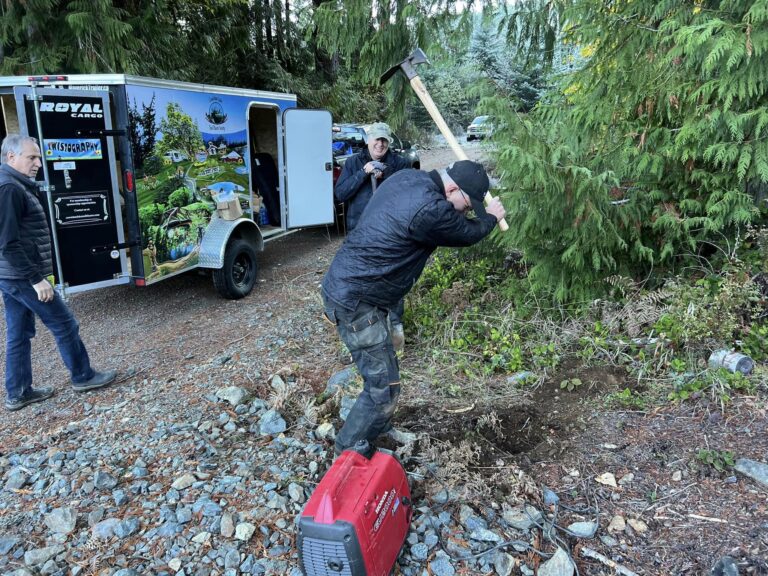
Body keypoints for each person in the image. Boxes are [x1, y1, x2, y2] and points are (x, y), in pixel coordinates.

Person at [322, 159, 506, 455]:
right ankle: (347, 455)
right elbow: (467, 233)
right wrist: (491, 218)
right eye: (468, 204)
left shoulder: (408, 177)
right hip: (357, 302)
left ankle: (378, 430)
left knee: (387, 373)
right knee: (383, 390)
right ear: (452, 188)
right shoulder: (430, 210)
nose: (467, 210)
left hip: (357, 288)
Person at [0, 135, 117, 411]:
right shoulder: (9, 189)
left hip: (11, 275)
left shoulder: (15, 185)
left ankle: (18, 392)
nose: (38, 163)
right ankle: (83, 376)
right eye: (32, 158)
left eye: (39, 157)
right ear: (11, 158)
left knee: (18, 333)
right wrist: (36, 278)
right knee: (65, 324)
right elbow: (8, 243)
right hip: (21, 276)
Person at [334, 122, 409, 349]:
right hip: (360, 233)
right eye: (376, 139)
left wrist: (385, 174)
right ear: (368, 140)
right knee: (359, 280)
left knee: (392, 278)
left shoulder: (399, 163)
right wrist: (364, 173)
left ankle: (395, 330)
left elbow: (408, 192)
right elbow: (341, 193)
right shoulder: (353, 163)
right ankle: (362, 332)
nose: (380, 143)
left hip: (391, 232)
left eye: (384, 140)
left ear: (389, 143)